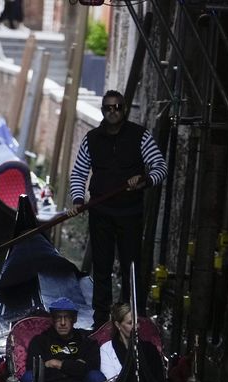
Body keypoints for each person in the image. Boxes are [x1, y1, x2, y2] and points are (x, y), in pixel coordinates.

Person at [68, 90, 167, 328]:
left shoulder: (139, 136)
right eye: (108, 108)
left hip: (130, 213)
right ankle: (101, 321)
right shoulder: (92, 138)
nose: (113, 111)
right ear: (103, 111)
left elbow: (160, 166)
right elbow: (79, 172)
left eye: (117, 107)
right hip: (100, 211)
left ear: (124, 109)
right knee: (101, 268)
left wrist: (144, 179)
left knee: (131, 268)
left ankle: (132, 319)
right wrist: (78, 200)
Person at [20, 297, 106, 382]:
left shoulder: (87, 341)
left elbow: (90, 369)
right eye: (58, 318)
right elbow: (34, 370)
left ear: (74, 319)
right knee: (28, 377)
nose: (63, 323)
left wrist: (58, 364)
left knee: (96, 376)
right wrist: (76, 366)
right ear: (52, 320)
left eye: (67, 318)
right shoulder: (40, 341)